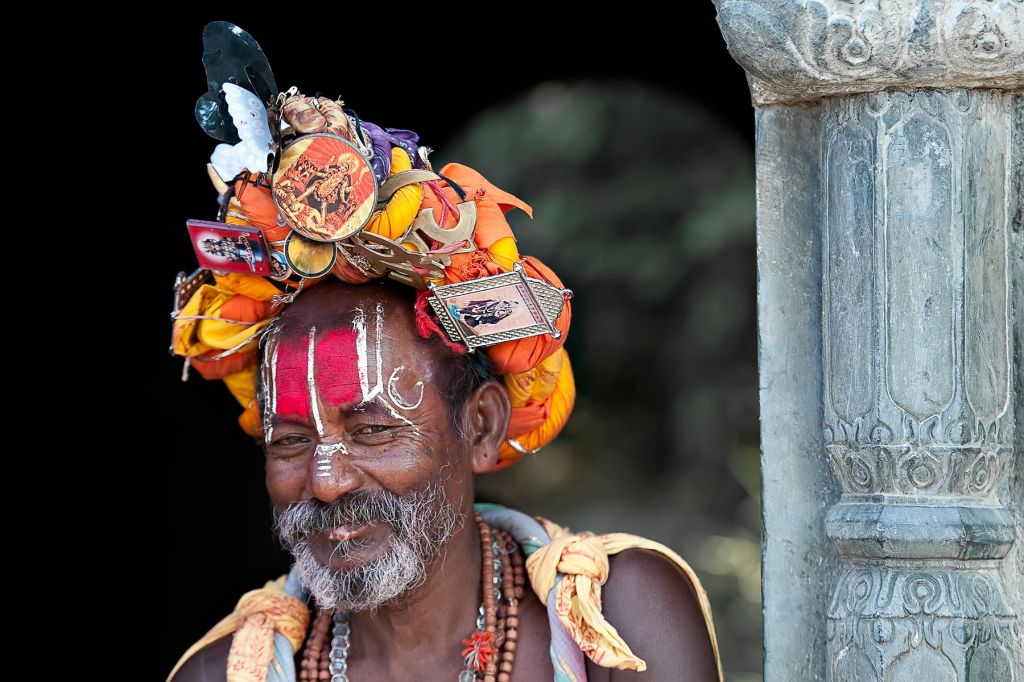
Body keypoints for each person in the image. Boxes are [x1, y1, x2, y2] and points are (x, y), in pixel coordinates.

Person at [169, 21, 722, 682]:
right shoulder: (230, 672)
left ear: (481, 426)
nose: (325, 480)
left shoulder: (620, 623)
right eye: (290, 441)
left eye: (372, 430)